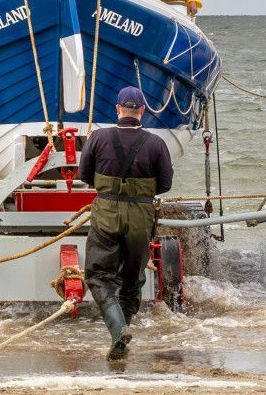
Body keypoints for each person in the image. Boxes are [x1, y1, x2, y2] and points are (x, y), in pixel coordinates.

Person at [78, 86, 173, 361]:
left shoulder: (98, 138)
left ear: (118, 110)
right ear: (142, 110)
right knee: (132, 281)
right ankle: (121, 335)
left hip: (106, 212)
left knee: (98, 275)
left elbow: (85, 175)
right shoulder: (156, 144)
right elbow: (165, 184)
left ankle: (118, 330)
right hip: (141, 216)